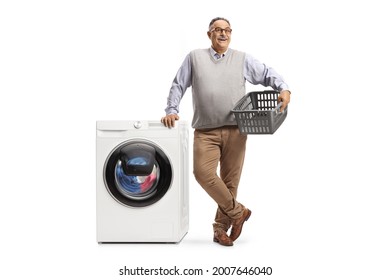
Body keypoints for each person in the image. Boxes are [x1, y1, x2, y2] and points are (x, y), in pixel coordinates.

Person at [161, 17, 291, 246]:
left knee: (230, 182)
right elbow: (178, 84)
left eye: (227, 30)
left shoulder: (241, 59)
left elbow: (266, 73)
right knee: (203, 174)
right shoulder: (195, 57)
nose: (223, 33)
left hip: (236, 130)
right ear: (209, 34)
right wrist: (171, 109)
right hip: (205, 130)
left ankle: (220, 229)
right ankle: (239, 212)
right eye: (218, 30)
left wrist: (284, 88)